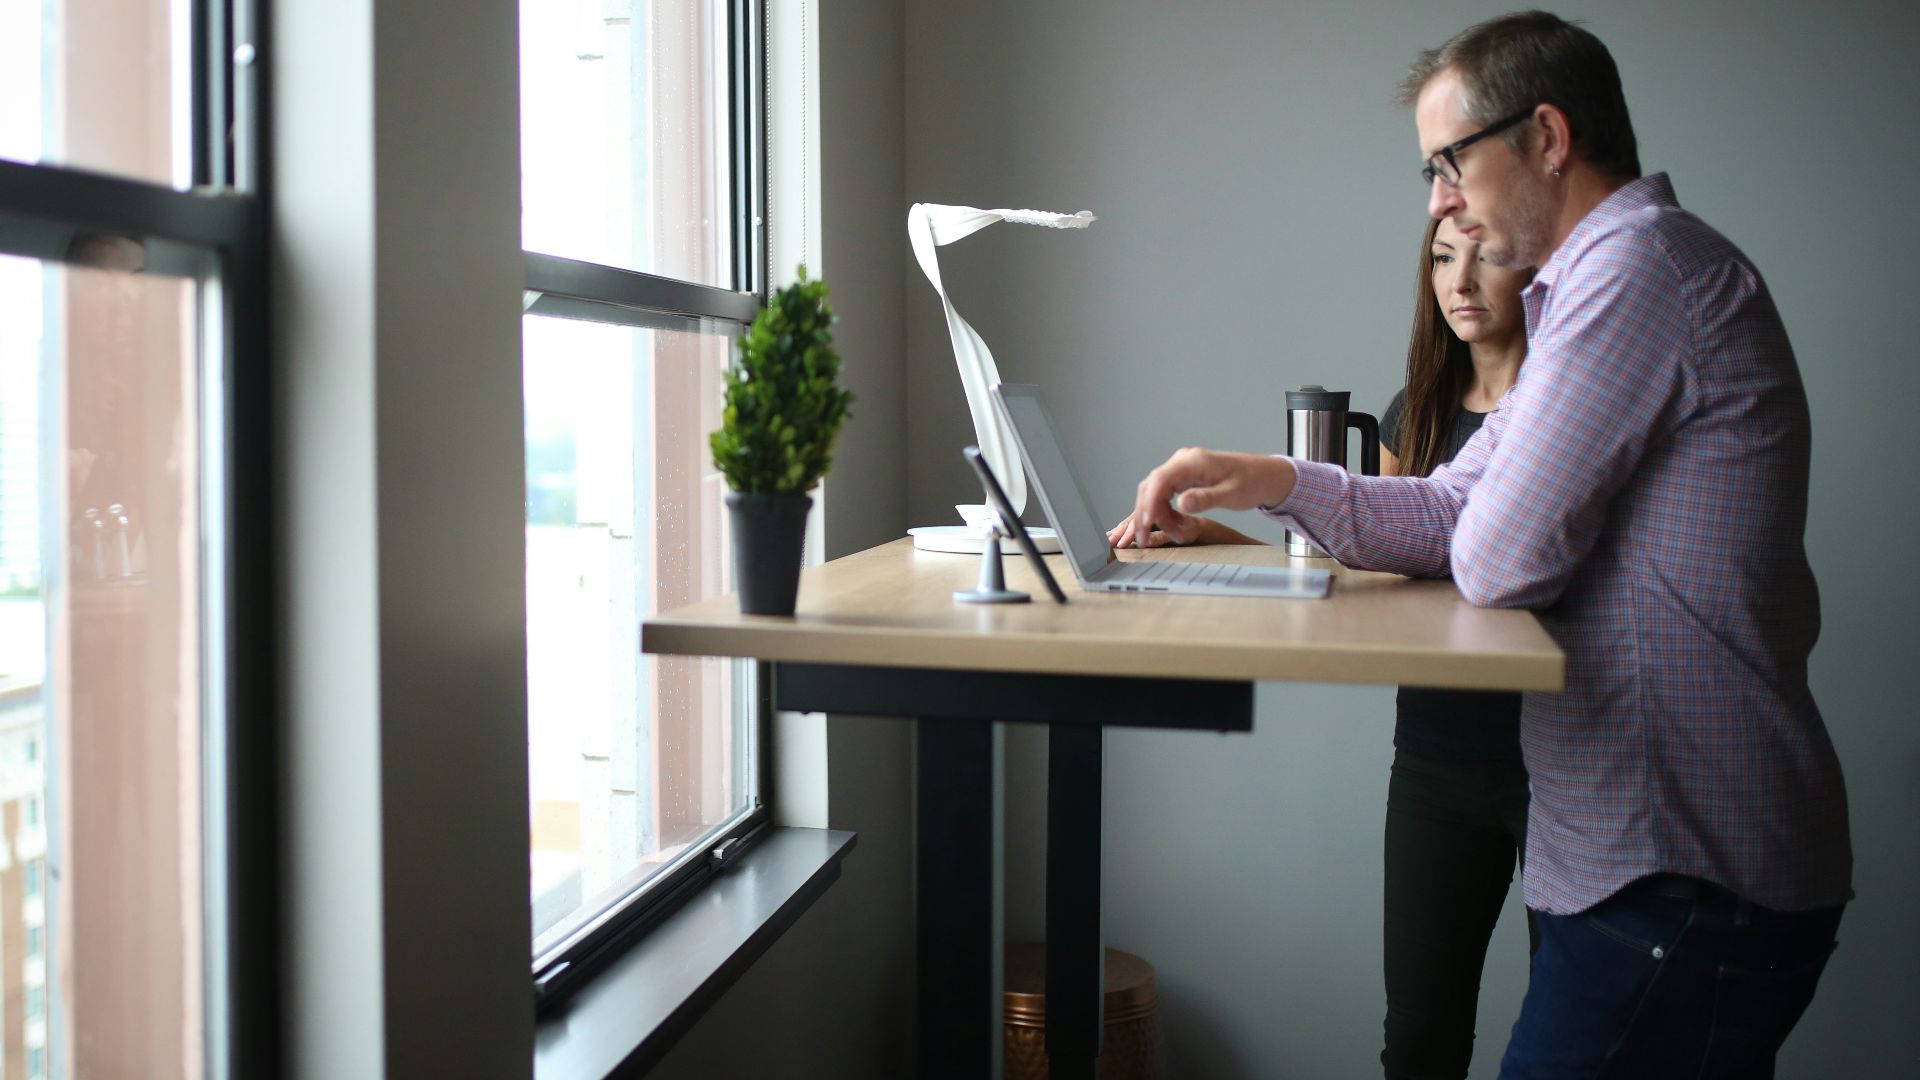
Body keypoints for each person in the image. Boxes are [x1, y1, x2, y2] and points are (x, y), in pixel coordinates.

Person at [1116, 11, 1851, 1078]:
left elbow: (1500, 555)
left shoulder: (1633, 271)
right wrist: (1269, 478)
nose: (1438, 201)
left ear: (1548, 137)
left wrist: (1392, 507)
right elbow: (1457, 502)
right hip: (1658, 865)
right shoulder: (1586, 293)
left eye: (1450, 161)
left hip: (1683, 871)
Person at [1113, 214, 1537, 1079]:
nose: (1459, 283)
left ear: (1529, 271)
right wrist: (1213, 538)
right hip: (1436, 754)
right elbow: (1360, 561)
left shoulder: (1564, 415)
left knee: (1559, 1039)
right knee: (1419, 1040)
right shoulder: (1412, 416)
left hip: (1556, 755)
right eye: (1442, 261)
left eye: (1484, 259)